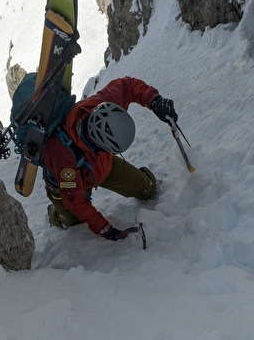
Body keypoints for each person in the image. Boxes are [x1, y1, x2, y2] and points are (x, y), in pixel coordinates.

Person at [42, 76, 179, 240]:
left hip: (102, 165)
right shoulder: (63, 156)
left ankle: (139, 181)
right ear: (99, 144)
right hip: (67, 185)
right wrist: (104, 228)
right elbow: (76, 201)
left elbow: (127, 86)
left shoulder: (103, 105)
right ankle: (55, 213)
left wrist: (154, 100)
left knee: (147, 189)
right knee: (75, 221)